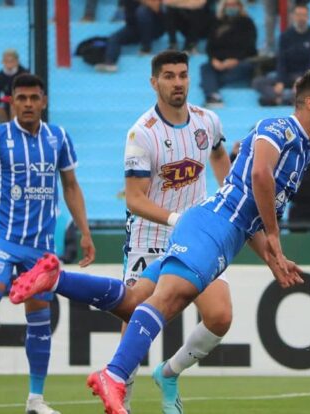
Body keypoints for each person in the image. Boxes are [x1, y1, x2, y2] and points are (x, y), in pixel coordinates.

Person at [7, 72, 310, 414]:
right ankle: (115, 374)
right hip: (211, 227)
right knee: (168, 300)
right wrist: (275, 236)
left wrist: (273, 257)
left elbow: (253, 216)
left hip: (220, 233)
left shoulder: (302, 151)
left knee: (135, 299)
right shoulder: (279, 129)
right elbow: (259, 177)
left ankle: (54, 279)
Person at [0, 74, 98, 414]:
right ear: (11, 101)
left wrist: (85, 231)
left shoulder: (59, 138)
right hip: (2, 239)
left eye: (33, 98)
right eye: (20, 98)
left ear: (44, 101)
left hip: (40, 249)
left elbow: (70, 186)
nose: (27, 104)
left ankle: (35, 400)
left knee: (40, 319)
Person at [116, 50, 231, 412]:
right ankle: (123, 403)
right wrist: (173, 219)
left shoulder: (207, 121)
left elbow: (218, 156)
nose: (177, 82)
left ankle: (169, 372)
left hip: (195, 236)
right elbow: (134, 199)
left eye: (182, 75)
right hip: (150, 236)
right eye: (169, 76)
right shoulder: (142, 133)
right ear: (154, 82)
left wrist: (227, 202)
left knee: (220, 316)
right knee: (134, 319)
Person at [253, 3, 310, 107]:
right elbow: (281, 60)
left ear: (308, 17)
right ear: (293, 16)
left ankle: (277, 99)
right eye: (298, 15)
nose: (301, 18)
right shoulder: (285, 36)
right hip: (287, 75)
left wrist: (302, 80)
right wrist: (280, 80)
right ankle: (286, 99)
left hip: (305, 76)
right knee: (257, 82)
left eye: (303, 15)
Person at [200, 0, 257, 107]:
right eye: (228, 5)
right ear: (224, 6)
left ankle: (210, 84)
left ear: (239, 6)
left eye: (234, 5)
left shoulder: (247, 23)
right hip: (219, 63)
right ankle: (214, 96)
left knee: (247, 67)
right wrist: (214, 60)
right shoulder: (216, 23)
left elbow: (251, 48)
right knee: (205, 67)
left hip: (240, 62)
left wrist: (235, 60)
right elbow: (209, 47)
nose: (231, 7)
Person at [95, 0, 165, 73]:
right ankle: (110, 62)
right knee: (114, 38)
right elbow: (129, 20)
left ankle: (146, 49)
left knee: (142, 11)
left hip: (154, 28)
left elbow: (156, 8)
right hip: (134, 28)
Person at [0, 49, 29, 130]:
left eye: (11, 61)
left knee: (14, 105)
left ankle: (16, 134)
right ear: (2, 62)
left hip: (22, 107)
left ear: (17, 61)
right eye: (6, 60)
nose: (9, 63)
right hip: (7, 105)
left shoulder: (24, 74)